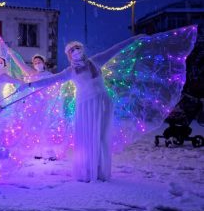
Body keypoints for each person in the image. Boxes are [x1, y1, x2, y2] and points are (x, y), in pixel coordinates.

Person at [21, 36, 143, 182]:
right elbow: (49, 81)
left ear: (82, 49)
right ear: (69, 55)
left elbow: (114, 49)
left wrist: (134, 39)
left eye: (77, 48)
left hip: (103, 102)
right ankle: (88, 170)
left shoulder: (95, 61)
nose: (76, 51)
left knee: (101, 137)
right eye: (72, 50)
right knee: (88, 137)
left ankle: (100, 170)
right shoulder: (70, 71)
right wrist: (29, 85)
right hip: (86, 106)